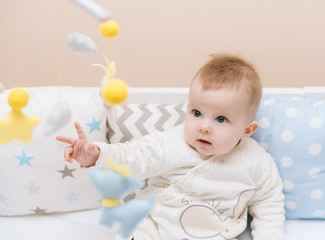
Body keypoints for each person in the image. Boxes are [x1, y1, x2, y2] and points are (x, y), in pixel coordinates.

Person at [56, 53, 285, 240]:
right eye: (196, 113)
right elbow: (132, 157)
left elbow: (270, 204)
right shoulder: (170, 144)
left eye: (221, 119)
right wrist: (96, 155)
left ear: (247, 131)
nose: (204, 127)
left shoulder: (257, 162)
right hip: (156, 229)